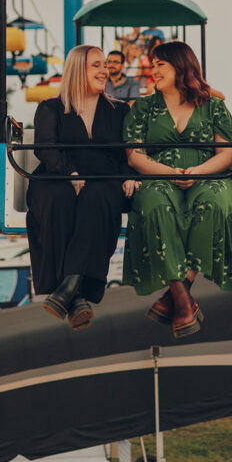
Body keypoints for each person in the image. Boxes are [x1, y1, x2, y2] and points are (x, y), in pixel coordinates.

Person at [122, 40, 232, 339]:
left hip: (207, 173)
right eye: (153, 65)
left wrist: (197, 172)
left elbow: (226, 152)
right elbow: (134, 155)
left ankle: (177, 295)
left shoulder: (212, 105)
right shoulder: (144, 108)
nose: (153, 71)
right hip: (159, 174)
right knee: (154, 205)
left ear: (180, 66)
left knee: (215, 202)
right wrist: (170, 172)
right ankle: (182, 300)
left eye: (159, 65)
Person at [26, 46, 140, 331]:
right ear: (78, 70)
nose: (104, 71)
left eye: (105, 65)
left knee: (98, 198)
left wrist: (129, 175)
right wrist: (70, 173)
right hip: (58, 176)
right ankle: (75, 297)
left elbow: (124, 151)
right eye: (96, 66)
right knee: (58, 199)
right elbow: (46, 148)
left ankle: (68, 286)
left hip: (104, 179)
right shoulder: (51, 108)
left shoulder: (117, 111)